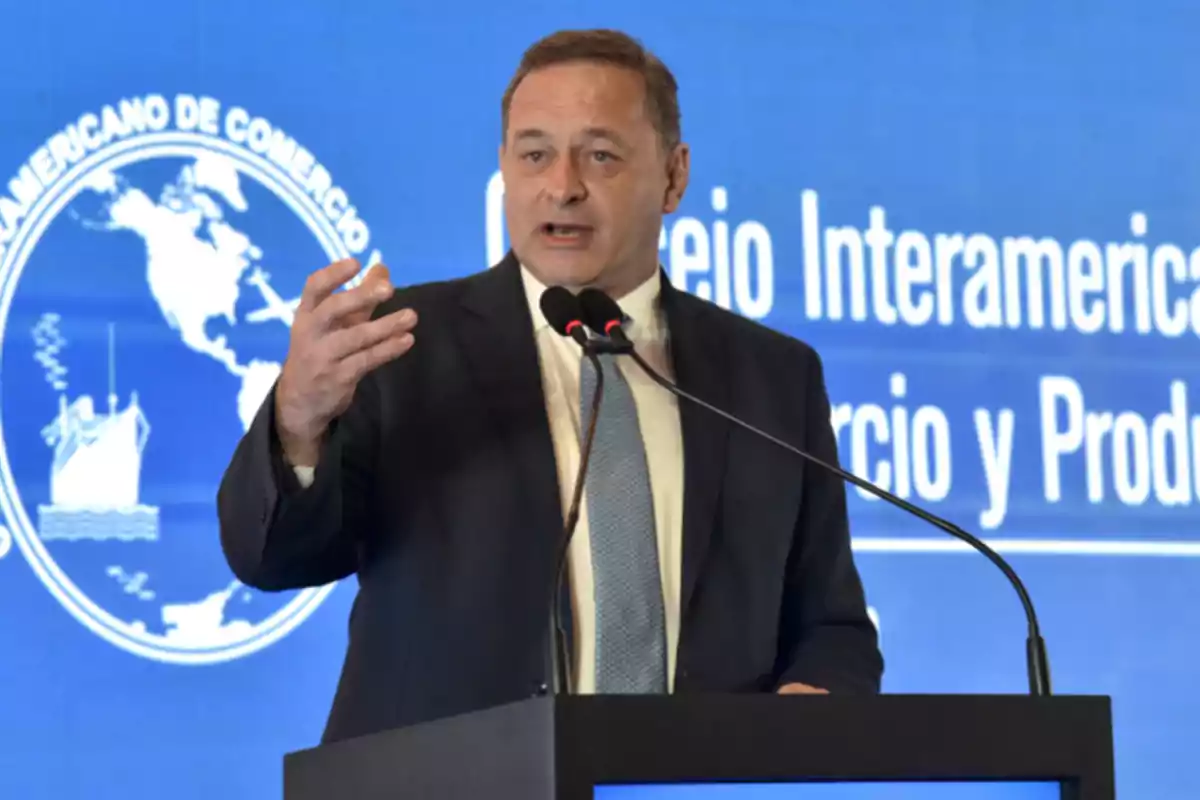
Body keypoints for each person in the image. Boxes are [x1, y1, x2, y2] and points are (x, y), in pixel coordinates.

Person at [217, 28, 882, 744]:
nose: (562, 184)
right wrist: (298, 422)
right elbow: (272, 557)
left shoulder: (772, 377)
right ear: (505, 167)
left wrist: (813, 704)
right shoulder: (401, 344)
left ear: (674, 176)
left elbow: (831, 625)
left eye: (600, 155)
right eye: (534, 154)